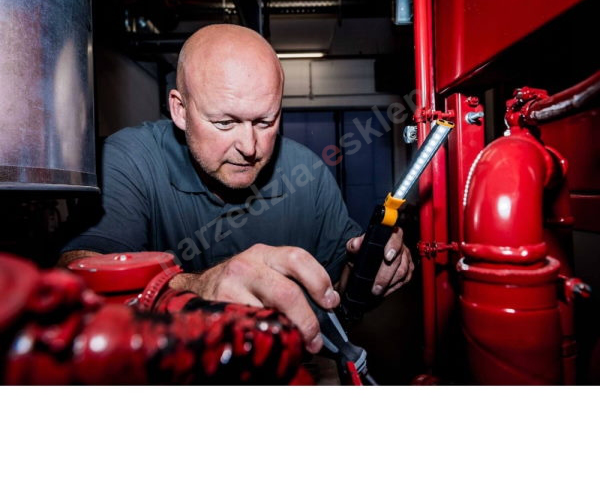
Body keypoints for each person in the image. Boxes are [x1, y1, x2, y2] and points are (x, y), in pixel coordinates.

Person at [59, 24, 414, 354]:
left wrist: (372, 269)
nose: (250, 146)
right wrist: (198, 287)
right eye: (225, 122)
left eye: (265, 121)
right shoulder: (130, 159)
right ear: (180, 110)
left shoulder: (308, 173)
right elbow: (76, 274)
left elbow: (340, 292)